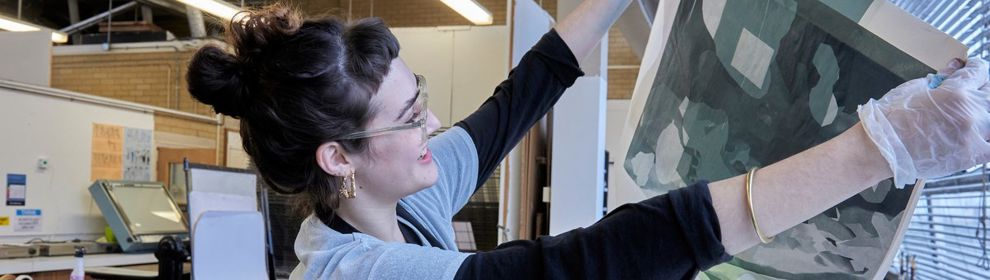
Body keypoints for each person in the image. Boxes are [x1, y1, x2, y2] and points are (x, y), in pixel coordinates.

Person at [185, 1, 990, 279]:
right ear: (338, 157)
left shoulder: (402, 190)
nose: (432, 126)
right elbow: (578, 268)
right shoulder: (357, 268)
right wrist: (880, 146)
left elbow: (522, 95)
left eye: (420, 99)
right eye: (407, 119)